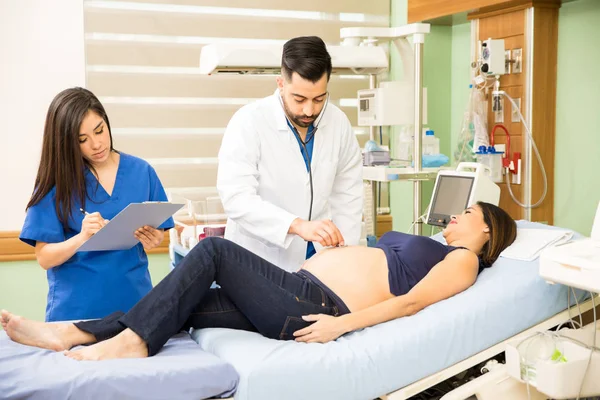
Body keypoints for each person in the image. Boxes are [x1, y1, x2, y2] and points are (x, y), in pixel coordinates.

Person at [2, 202, 516, 360]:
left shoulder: (464, 261)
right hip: (298, 288)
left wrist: (343, 328)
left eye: (467, 211)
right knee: (180, 302)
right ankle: (70, 332)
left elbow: (410, 305)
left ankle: (130, 344)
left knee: (214, 252)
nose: (455, 215)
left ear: (487, 229)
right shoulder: (443, 248)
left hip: (317, 306)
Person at [19, 87, 174, 322]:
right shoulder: (57, 183)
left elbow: (159, 233)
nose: (96, 144)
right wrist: (81, 238)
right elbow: (44, 258)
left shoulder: (142, 172)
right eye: (82, 139)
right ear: (66, 143)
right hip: (75, 316)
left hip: (135, 311)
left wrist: (154, 238)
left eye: (99, 130)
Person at [217, 36, 363, 272]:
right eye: (299, 99)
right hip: (259, 260)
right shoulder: (249, 121)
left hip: (319, 263)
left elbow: (348, 197)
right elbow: (236, 198)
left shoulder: (338, 123)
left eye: (319, 99)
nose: (309, 110)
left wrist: (345, 258)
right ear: (281, 84)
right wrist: (296, 225)